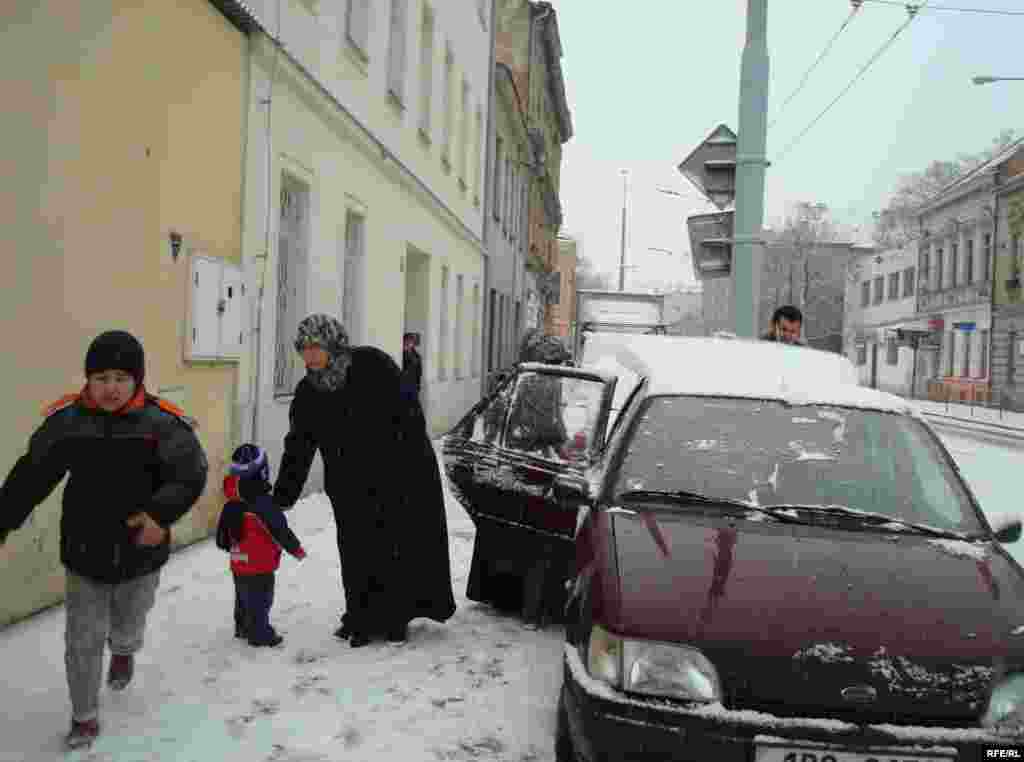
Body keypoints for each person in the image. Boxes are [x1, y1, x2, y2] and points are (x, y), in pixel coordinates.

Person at [0, 330, 208, 749]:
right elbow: (33, 474)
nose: (110, 388)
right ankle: (84, 716)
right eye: (100, 378)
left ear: (137, 380)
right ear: (87, 380)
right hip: (85, 547)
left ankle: (125, 649)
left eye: (120, 377)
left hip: (141, 547)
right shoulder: (69, 422)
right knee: (82, 636)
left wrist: (161, 516)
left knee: (131, 619)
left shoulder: (161, 423)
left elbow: (190, 472)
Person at [272, 314, 456, 647]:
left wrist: (409, 463)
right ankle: (360, 616)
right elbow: (298, 445)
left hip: (395, 475)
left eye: (316, 347)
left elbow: (408, 412)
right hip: (348, 486)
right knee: (356, 551)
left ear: (332, 344)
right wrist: (282, 496)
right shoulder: (308, 392)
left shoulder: (371, 365)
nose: (310, 355)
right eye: (304, 349)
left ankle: (394, 618)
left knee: (392, 547)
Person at [216, 444, 306, 648]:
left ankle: (242, 626)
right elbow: (280, 530)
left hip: (238, 562)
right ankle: (260, 634)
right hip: (260, 565)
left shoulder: (231, 503)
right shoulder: (263, 504)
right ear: (262, 471)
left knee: (242, 596)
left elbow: (222, 533)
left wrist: (227, 546)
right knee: (260, 600)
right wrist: (296, 549)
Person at [400, 332, 423, 405]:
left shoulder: (416, 356)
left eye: (411, 341)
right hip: (403, 384)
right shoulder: (401, 353)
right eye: (407, 341)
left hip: (413, 385)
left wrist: (418, 385)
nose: (410, 343)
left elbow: (419, 372)